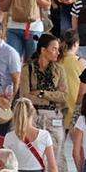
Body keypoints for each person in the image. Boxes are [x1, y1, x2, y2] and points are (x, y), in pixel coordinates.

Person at [18, 33, 71, 163]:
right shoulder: (28, 69)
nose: (57, 52)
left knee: (54, 157)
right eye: (54, 49)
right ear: (43, 50)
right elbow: (25, 96)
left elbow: (64, 96)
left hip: (54, 117)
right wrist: (52, 97)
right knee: (34, 155)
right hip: (33, 116)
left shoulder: (59, 69)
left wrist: (42, 93)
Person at [4, 98, 64, 172]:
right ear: (33, 113)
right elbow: (52, 166)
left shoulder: (9, 137)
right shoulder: (44, 136)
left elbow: (6, 164)